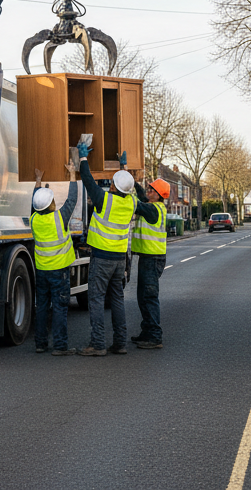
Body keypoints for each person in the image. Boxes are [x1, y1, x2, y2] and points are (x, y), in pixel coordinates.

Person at [77, 147, 160, 356]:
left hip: (102, 258)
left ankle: (97, 344)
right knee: (116, 300)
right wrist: (125, 169)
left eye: (113, 182)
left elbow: (87, 180)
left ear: (113, 186)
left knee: (95, 299)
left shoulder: (104, 199)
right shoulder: (131, 202)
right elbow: (150, 213)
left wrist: (83, 157)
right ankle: (120, 343)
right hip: (119, 261)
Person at [31, 165, 79, 356]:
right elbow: (72, 200)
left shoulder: (34, 219)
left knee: (42, 307)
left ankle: (40, 344)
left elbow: (33, 203)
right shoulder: (60, 218)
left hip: (42, 270)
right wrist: (73, 174)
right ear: (51, 203)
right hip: (59, 272)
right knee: (60, 308)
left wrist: (38, 180)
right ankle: (60, 346)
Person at [130, 177, 170, 349]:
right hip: (148, 257)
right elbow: (142, 198)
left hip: (152, 258)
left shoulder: (154, 210)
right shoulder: (153, 206)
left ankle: (154, 336)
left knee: (149, 297)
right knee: (142, 297)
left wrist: (125, 189)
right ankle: (147, 332)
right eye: (148, 189)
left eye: (152, 190)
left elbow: (139, 204)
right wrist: (133, 182)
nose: (148, 192)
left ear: (159, 195)